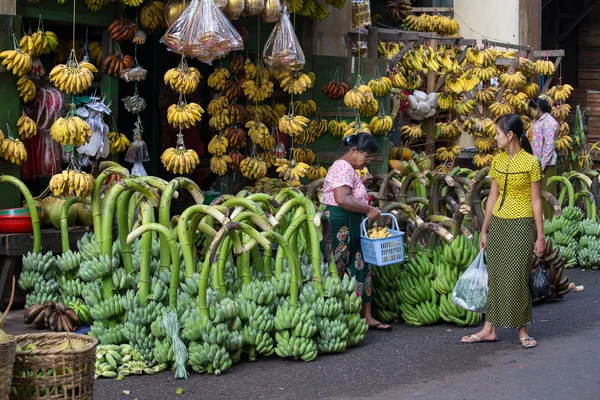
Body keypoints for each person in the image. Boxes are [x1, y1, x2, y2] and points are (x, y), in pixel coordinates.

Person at [462, 114, 545, 348]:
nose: (495, 138)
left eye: (497, 133)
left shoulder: (531, 162)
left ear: (509, 135)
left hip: (521, 223)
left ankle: (523, 331)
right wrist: (484, 229)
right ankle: (489, 329)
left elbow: (536, 201)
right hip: (498, 223)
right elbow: (492, 197)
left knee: (518, 276)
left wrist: (540, 235)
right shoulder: (497, 161)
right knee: (496, 277)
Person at [322, 132, 390, 331]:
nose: (366, 161)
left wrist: (362, 185)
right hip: (340, 224)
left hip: (352, 223)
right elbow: (342, 199)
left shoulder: (349, 168)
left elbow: (348, 192)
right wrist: (369, 209)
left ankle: (365, 316)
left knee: (361, 266)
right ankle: (336, 315)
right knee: (338, 267)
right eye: (366, 156)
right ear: (353, 151)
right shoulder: (342, 167)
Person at [529, 97, 559, 218]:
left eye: (531, 109)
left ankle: (550, 222)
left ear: (537, 109)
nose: (529, 112)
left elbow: (549, 146)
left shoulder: (550, 123)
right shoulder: (538, 121)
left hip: (546, 165)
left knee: (547, 195)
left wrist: (542, 166)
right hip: (537, 164)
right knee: (537, 195)